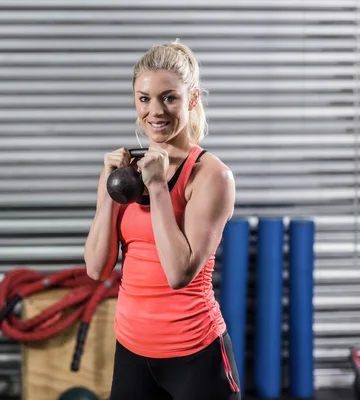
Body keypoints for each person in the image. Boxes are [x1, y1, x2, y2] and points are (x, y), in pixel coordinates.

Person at [84, 41, 240, 400]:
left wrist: (156, 188)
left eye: (169, 98)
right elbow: (96, 268)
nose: (155, 111)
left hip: (196, 356)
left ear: (193, 98)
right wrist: (109, 194)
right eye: (144, 99)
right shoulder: (124, 174)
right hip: (132, 353)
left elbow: (178, 273)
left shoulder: (211, 176)